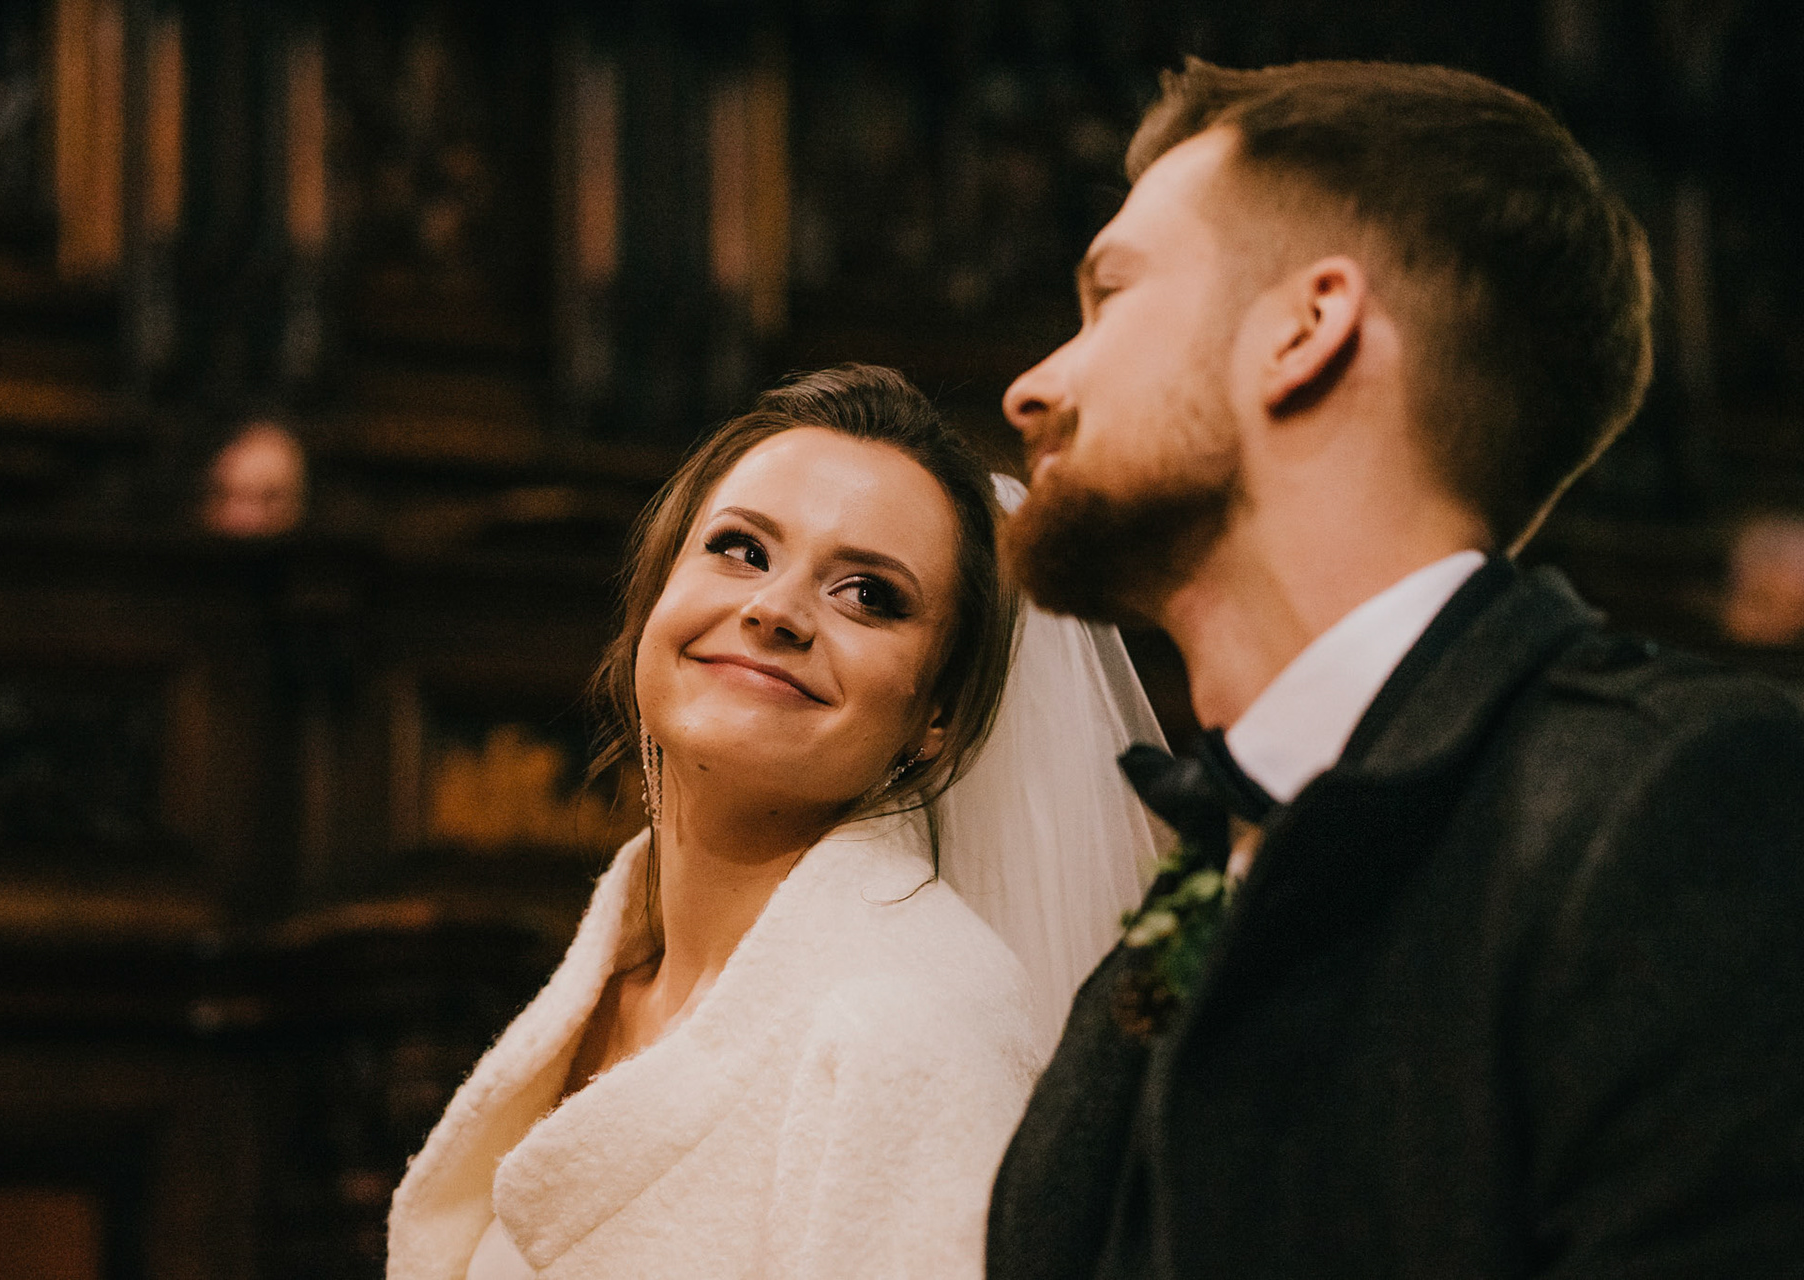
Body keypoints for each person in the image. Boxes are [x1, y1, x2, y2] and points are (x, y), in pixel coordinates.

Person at [987, 59, 1804, 1277]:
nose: (1030, 387)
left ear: (1307, 328)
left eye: (1111, 296)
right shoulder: (1200, 875)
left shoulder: (1672, 805)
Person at [387, 364, 1166, 1279]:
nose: (775, 610)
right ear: (655, 597)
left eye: (868, 594)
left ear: (936, 715)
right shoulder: (615, 976)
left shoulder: (909, 1031)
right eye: (741, 549)